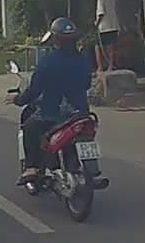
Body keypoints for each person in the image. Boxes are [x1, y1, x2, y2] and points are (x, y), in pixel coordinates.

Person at [7, 17, 105, 187]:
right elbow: (86, 84)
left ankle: (31, 168)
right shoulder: (83, 60)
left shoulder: (48, 61)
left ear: (55, 40)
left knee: (29, 127)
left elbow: (34, 90)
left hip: (52, 113)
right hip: (80, 113)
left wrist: (18, 99)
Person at [94, 0, 119, 72]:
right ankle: (111, 66)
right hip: (113, 25)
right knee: (110, 47)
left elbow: (101, 13)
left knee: (98, 46)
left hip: (103, 26)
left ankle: (100, 67)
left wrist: (96, 24)